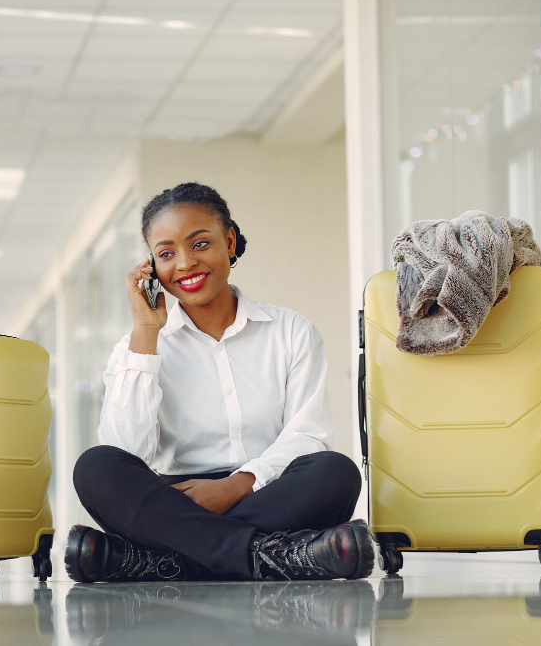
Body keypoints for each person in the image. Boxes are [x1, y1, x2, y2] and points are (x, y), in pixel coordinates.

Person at [64, 182, 373, 583]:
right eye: (166, 253)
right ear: (151, 267)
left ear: (229, 242)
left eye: (200, 243)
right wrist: (145, 332)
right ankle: (273, 557)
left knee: (336, 473)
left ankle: (158, 561)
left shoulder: (291, 331)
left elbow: (307, 435)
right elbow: (126, 451)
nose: (185, 264)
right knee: (96, 466)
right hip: (172, 500)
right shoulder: (138, 346)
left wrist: (235, 486)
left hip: (266, 491)